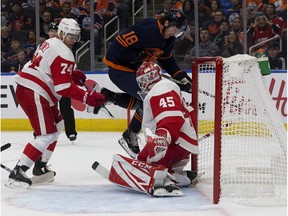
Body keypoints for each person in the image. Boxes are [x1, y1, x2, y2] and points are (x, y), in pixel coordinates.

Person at [7, 18, 106, 187]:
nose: (73, 40)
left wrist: (71, 74)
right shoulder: (65, 53)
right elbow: (63, 88)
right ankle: (19, 171)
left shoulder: (50, 41)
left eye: (76, 37)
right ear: (61, 33)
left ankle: (40, 165)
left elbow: (48, 67)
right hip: (34, 91)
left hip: (34, 89)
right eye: (70, 37)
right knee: (46, 135)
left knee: (58, 125)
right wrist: (86, 97)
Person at [93, 9, 192, 159]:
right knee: (148, 99)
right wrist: (139, 60)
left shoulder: (168, 39)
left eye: (178, 31)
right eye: (175, 29)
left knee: (146, 100)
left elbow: (167, 60)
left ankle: (109, 96)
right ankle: (130, 134)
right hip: (119, 68)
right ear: (166, 23)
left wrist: (181, 77)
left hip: (138, 71)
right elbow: (120, 45)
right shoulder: (147, 29)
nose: (175, 33)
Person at [108, 61, 199, 196]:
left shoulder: (161, 88)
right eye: (141, 80)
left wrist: (163, 138)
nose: (143, 83)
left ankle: (163, 183)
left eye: (145, 79)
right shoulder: (165, 87)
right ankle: (181, 176)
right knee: (147, 161)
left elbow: (171, 117)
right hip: (181, 142)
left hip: (174, 142)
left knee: (143, 162)